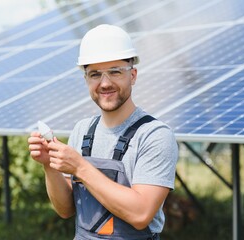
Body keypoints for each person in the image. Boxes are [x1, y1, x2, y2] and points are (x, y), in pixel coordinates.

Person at [28, 24, 178, 240]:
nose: (105, 83)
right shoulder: (82, 130)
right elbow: (66, 209)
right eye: (95, 74)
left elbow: (141, 213)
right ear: (86, 79)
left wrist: (80, 166)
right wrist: (49, 166)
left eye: (115, 72)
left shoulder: (154, 135)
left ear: (133, 75)